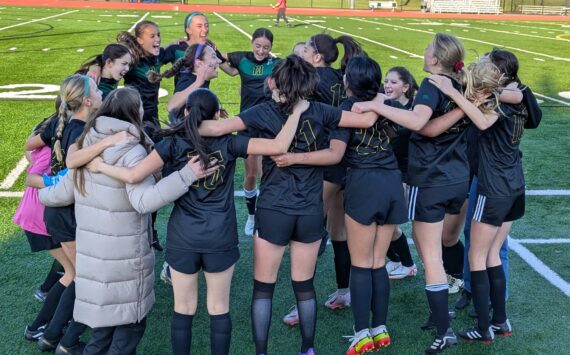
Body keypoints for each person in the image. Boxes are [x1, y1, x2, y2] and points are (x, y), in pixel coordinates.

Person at [86, 88, 308, 355]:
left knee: (183, 309)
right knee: (218, 308)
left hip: (183, 237)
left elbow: (133, 176)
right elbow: (279, 146)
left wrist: (99, 167)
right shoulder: (229, 141)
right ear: (217, 115)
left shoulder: (171, 142)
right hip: (220, 236)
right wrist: (296, 112)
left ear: (187, 112)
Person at [198, 55, 384, 355]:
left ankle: (261, 352)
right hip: (310, 210)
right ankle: (307, 349)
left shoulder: (262, 110)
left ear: (274, 81)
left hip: (273, 208)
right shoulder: (322, 110)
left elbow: (215, 129)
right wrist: (380, 96)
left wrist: (186, 117)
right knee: (304, 286)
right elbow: (367, 119)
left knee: (263, 289)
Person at [38, 87, 217, 355]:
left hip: (94, 261)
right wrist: (186, 175)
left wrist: (39, 193)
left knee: (101, 334)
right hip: (125, 261)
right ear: (135, 112)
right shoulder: (132, 150)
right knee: (127, 333)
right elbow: (144, 201)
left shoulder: (86, 144)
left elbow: (60, 193)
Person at [272, 56, 406, 355]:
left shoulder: (347, 109)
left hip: (364, 184)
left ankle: (361, 333)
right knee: (377, 262)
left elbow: (334, 155)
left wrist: (295, 158)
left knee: (361, 265)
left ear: (348, 82)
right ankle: (379, 327)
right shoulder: (390, 106)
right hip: (392, 184)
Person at [352, 33, 472, 354]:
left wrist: (379, 106)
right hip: (458, 177)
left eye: (428, 49)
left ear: (435, 59)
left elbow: (419, 122)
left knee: (429, 255)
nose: (423, 51)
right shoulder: (462, 85)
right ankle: (440, 311)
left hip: (430, 178)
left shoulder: (433, 84)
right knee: (431, 248)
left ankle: (444, 328)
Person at [431, 50, 527, 343]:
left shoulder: (500, 101)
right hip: (514, 186)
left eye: (485, 62)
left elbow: (483, 122)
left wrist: (452, 92)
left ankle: (484, 328)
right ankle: (501, 320)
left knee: (478, 256)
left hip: (493, 187)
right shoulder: (517, 96)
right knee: (493, 255)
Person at [24, 74, 102, 354]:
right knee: (81, 276)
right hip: (65, 213)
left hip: (57, 212)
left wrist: (41, 170)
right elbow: (73, 161)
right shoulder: (79, 129)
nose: (101, 91)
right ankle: (56, 337)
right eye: (96, 88)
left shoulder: (62, 122)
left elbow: (29, 145)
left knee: (72, 274)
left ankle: (45, 331)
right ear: (88, 100)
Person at [221, 28, 279, 237]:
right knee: (250, 173)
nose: (261, 51)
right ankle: (252, 215)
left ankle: (265, 215)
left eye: (266, 47)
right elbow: (225, 62)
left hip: (267, 123)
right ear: (252, 43)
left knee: (267, 173)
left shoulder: (276, 63)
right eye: (258, 45)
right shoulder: (242, 58)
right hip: (246, 123)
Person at [14, 103, 64, 304]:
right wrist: (60, 180)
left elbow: (29, 148)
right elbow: (32, 177)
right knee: (74, 271)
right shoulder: (51, 145)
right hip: (38, 217)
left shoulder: (52, 130)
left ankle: (46, 291)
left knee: (69, 258)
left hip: (45, 214)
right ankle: (46, 324)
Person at [383, 67, 419, 280]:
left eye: (393, 82)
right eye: (386, 81)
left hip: (404, 174)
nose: (388, 85)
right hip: (384, 170)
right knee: (381, 222)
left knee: (390, 224)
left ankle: (408, 263)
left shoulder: (416, 109)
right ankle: (396, 260)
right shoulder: (383, 104)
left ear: (406, 87)